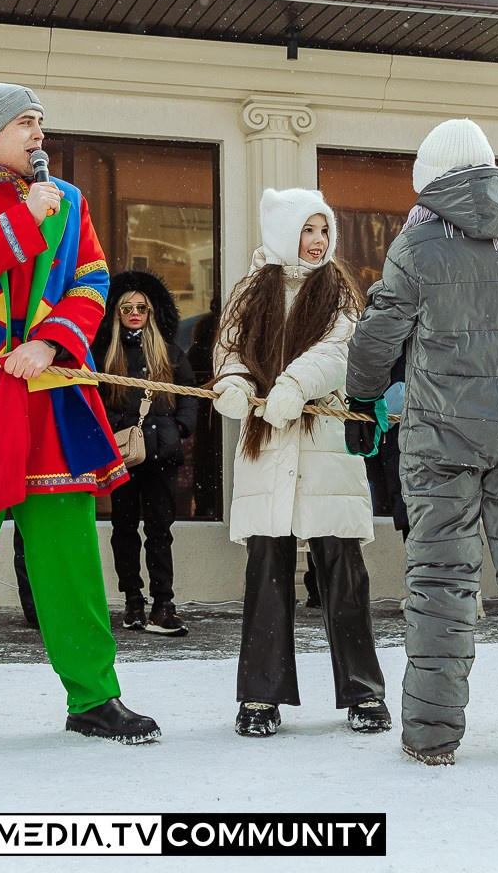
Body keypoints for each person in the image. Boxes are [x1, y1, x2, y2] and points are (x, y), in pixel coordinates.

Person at [0, 82, 157, 754]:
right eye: (24, 122)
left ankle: (94, 696)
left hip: (48, 392)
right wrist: (20, 223)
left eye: (40, 121)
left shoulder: (69, 202)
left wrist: (49, 343)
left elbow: (92, 282)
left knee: (69, 556)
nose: (38, 134)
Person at [346, 118, 498, 768]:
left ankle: (431, 736)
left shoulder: (419, 249)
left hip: (442, 433)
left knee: (441, 582)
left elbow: (377, 336)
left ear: (430, 183)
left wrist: (360, 398)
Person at [212, 189, 389, 739]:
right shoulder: (249, 290)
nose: (318, 241)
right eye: (307, 230)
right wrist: (235, 384)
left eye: (323, 230)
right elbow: (229, 349)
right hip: (266, 448)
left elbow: (341, 349)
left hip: (325, 444)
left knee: (343, 573)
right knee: (266, 572)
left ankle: (364, 691)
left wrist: (294, 383)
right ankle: (260, 696)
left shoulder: (338, 288)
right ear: (285, 232)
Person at [100, 269, 196, 637]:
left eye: (141, 307)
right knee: (123, 528)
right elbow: (94, 397)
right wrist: (114, 428)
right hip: (123, 455)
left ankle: (163, 603)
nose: (135, 313)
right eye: (127, 308)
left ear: (151, 312)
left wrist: (181, 427)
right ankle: (133, 601)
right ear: (118, 313)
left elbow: (189, 392)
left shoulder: (169, 353)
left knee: (160, 531)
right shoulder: (107, 355)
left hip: (162, 455)